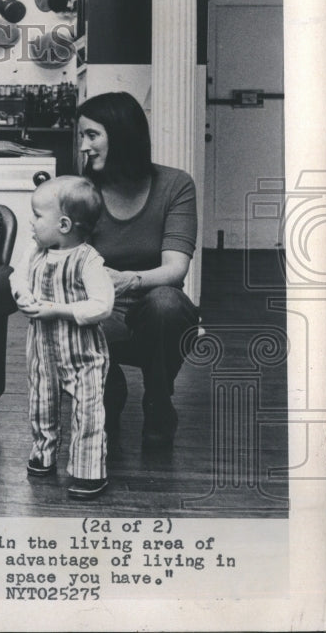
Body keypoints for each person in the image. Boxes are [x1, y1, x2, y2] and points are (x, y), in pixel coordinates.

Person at [75, 91, 200, 451]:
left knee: (168, 303)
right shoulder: (84, 190)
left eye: (92, 135)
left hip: (153, 307)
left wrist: (128, 279)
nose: (84, 146)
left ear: (122, 134)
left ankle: (158, 401)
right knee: (79, 309)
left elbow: (175, 269)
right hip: (103, 304)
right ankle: (108, 390)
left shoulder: (175, 185)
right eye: (81, 136)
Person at [10, 176, 115, 500]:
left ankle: (88, 471)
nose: (32, 221)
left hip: (82, 355)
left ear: (65, 224)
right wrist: (23, 296)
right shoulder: (36, 251)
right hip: (41, 351)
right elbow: (18, 277)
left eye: (39, 216)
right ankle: (43, 453)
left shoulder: (88, 260)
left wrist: (56, 309)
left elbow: (102, 305)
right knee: (42, 404)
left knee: (88, 413)